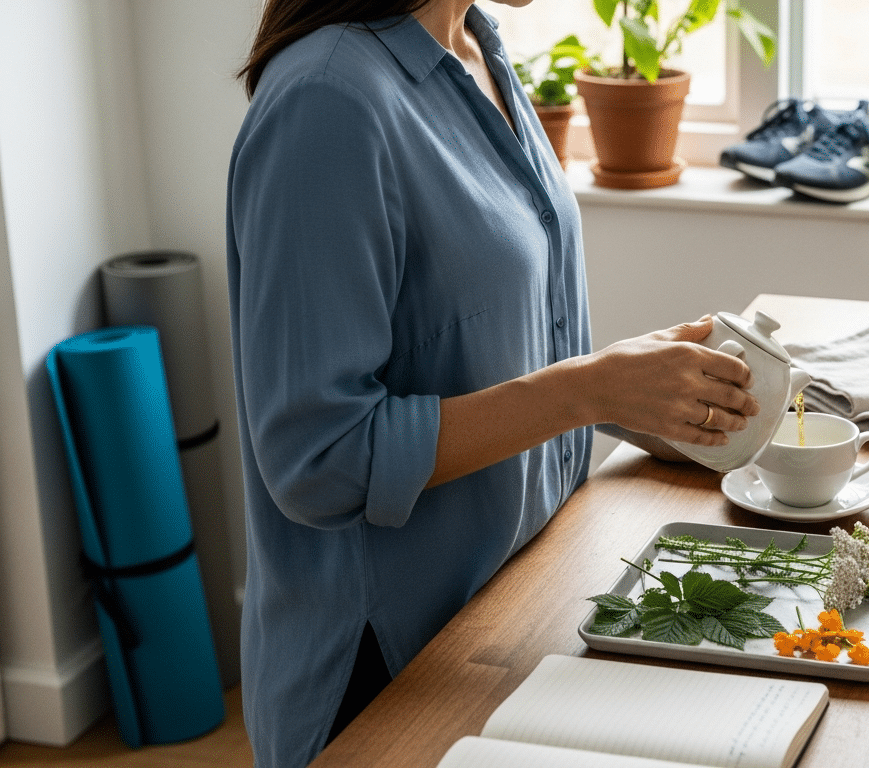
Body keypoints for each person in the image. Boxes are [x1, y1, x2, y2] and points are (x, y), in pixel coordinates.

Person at [226, 1, 758, 765]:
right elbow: (320, 459)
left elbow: (474, 348)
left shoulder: (477, 47)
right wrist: (588, 390)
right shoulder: (328, 100)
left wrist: (634, 394)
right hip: (392, 673)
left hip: (517, 610)